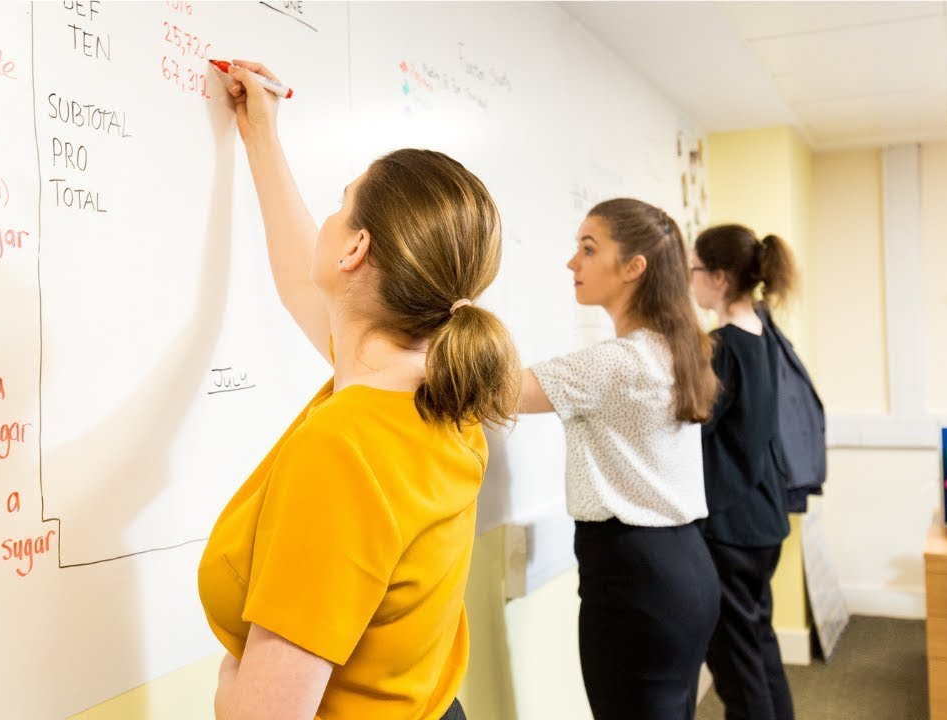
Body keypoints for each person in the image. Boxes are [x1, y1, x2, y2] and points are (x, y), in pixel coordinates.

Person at [197, 60, 520, 720]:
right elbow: (298, 283)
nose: (328, 218)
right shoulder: (442, 397)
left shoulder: (346, 446)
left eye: (341, 205)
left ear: (355, 252)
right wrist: (262, 136)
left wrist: (230, 683)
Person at [518, 198, 720, 720]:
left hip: (635, 580)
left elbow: (495, 391)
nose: (572, 263)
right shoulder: (674, 350)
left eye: (588, 249)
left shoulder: (619, 362)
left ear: (634, 268)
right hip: (684, 569)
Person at [690, 224, 797, 720]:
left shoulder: (721, 348)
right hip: (765, 519)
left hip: (731, 526)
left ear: (718, 277)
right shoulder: (765, 335)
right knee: (758, 639)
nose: (688, 281)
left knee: (736, 664)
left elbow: (697, 428)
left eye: (693, 270)